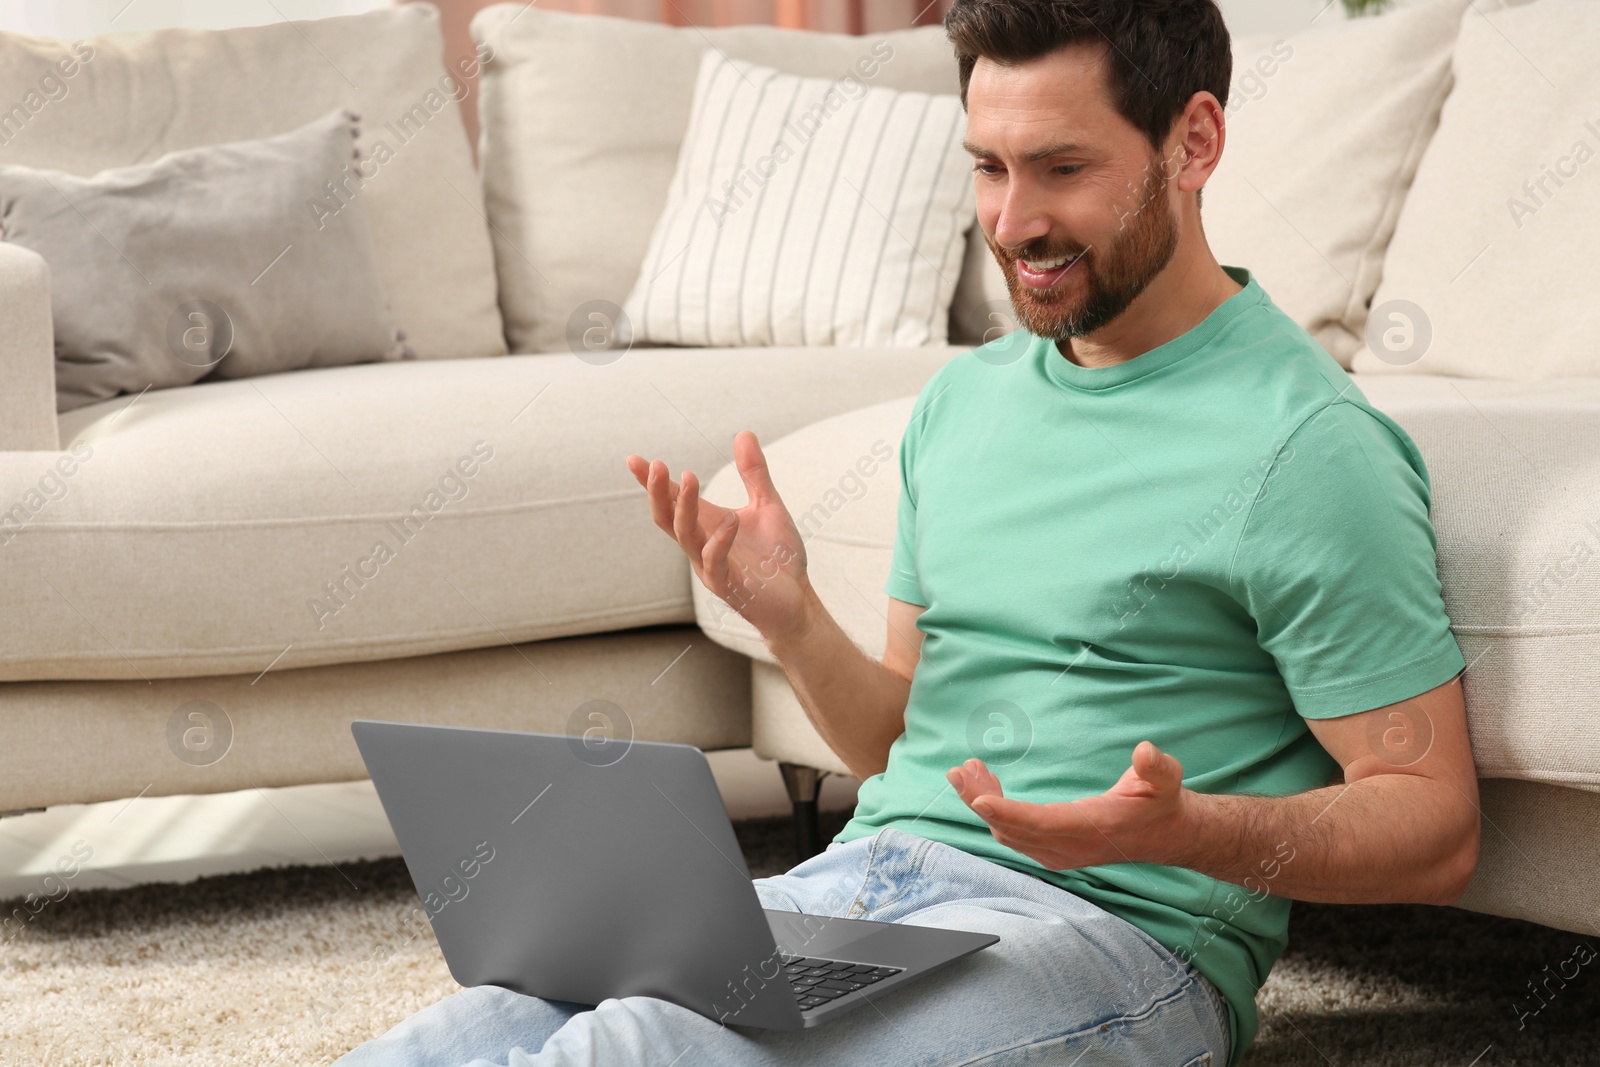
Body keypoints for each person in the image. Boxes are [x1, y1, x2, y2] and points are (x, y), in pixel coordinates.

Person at [338, 1, 1479, 1063]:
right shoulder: (965, 402)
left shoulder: (1307, 443)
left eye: (1062, 169)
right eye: (987, 166)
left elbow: (1431, 826)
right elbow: (901, 747)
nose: (1013, 221)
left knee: (648, 1044)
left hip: (1111, 935)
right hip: (866, 883)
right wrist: (790, 619)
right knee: (469, 1023)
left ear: (1192, 143)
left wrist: (1188, 829)